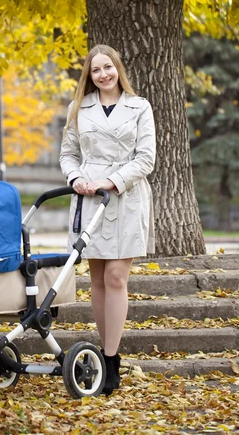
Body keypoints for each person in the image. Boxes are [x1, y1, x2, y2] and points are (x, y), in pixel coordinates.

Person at [59, 44, 156, 395]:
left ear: (118, 69)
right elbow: (68, 154)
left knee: (116, 275)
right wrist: (77, 179)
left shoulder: (139, 107)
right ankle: (102, 355)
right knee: (97, 278)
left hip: (125, 196)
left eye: (108, 68)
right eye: (96, 70)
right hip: (89, 199)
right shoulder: (78, 109)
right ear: (89, 75)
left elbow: (146, 158)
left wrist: (111, 181)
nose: (103, 75)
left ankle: (112, 361)